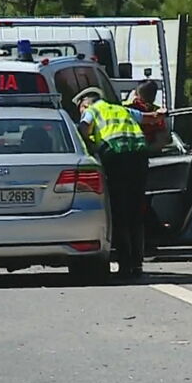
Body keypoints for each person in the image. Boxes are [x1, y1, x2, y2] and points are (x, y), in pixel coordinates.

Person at [74, 87, 160, 278]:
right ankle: (137, 265)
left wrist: (92, 148)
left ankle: (125, 264)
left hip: (115, 158)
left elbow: (83, 129)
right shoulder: (122, 109)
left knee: (119, 213)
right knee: (135, 213)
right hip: (139, 158)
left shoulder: (92, 111)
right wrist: (160, 113)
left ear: (85, 104)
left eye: (80, 109)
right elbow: (151, 118)